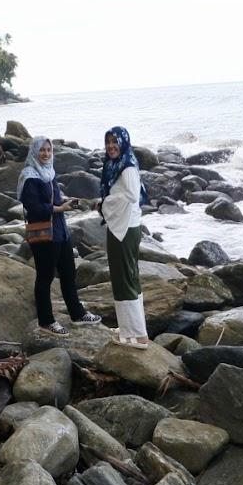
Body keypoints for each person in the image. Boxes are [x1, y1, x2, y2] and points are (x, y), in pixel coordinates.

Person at [19, 136, 101, 335]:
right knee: (45, 277)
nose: (46, 154)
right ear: (35, 152)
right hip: (44, 234)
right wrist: (58, 208)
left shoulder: (49, 172)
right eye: (42, 150)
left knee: (68, 272)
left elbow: (53, 198)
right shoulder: (29, 176)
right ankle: (46, 321)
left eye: (49, 150)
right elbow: (34, 208)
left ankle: (77, 313)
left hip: (60, 232)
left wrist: (65, 201)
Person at [99, 125, 150, 347]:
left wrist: (102, 204)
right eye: (108, 142)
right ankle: (130, 327)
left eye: (115, 141)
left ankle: (138, 335)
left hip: (125, 228)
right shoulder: (116, 164)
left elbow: (131, 195)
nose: (111, 146)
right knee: (127, 277)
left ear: (123, 142)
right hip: (124, 225)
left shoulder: (127, 166)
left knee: (124, 279)